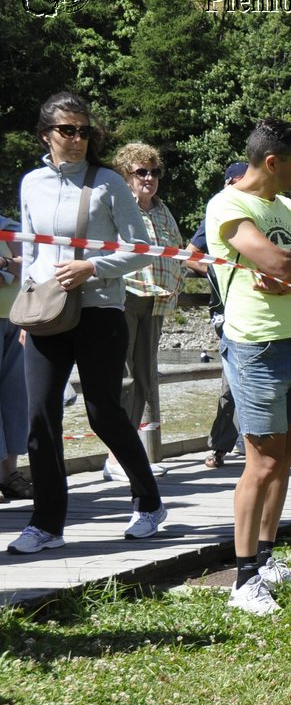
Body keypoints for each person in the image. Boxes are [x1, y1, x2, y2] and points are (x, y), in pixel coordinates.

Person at [8, 92, 167, 556]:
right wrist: (28, 305)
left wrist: (91, 268)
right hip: (46, 314)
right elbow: (33, 251)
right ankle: (47, 522)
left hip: (99, 310)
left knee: (103, 411)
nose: (77, 139)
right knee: (40, 416)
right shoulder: (32, 182)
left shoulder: (108, 184)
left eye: (83, 130)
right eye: (67, 130)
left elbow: (138, 248)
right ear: (46, 135)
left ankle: (148, 500)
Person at [206, 118, 291, 614]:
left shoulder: (284, 205)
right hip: (256, 347)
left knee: (284, 457)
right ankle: (243, 581)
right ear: (271, 163)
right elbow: (286, 263)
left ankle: (265, 557)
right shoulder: (229, 205)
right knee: (259, 463)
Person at [112, 142, 185, 473]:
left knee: (143, 376)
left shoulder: (163, 209)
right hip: (125, 296)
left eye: (154, 172)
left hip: (157, 301)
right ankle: (116, 458)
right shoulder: (118, 206)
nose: (149, 178)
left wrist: (177, 286)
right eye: (141, 172)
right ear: (126, 176)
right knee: (122, 376)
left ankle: (132, 457)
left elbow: (179, 250)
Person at [182, 161, 248, 468]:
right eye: (238, 181)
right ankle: (220, 446)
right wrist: (219, 271)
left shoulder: (261, 210)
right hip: (226, 309)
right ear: (227, 183)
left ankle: (252, 440)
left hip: (262, 308)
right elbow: (189, 255)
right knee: (232, 378)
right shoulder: (217, 211)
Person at [0, 216, 30, 503]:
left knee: (15, 398)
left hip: (15, 317)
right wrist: (12, 266)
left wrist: (6, 265)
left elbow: (31, 266)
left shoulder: (8, 226)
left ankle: (9, 474)